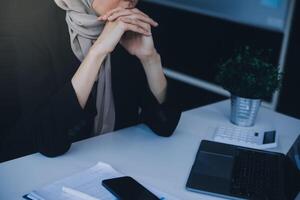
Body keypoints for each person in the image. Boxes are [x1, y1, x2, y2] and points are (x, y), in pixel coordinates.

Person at [0, 0, 181, 162]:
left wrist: (150, 59)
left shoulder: (131, 21)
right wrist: (98, 51)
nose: (132, 1)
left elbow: (165, 125)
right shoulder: (32, 27)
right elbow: (48, 141)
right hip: (41, 168)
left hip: (118, 160)